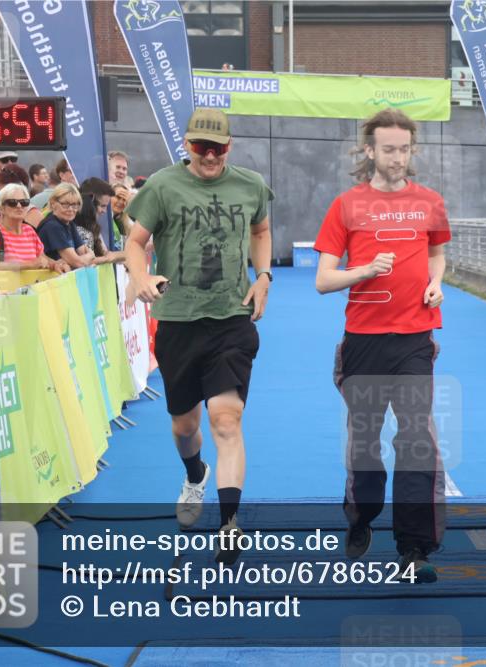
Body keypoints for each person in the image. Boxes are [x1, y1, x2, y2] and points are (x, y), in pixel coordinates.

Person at [125, 108, 273, 565]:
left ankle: (230, 523)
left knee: (226, 421)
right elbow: (134, 241)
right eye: (200, 147)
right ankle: (195, 473)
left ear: (230, 147)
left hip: (231, 319)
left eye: (218, 148)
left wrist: (263, 275)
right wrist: (141, 277)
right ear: (187, 146)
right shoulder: (163, 186)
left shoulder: (250, 185)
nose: (209, 156)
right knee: (185, 426)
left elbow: (261, 229)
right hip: (178, 322)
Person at [314, 108, 450, 584]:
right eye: (388, 149)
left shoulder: (430, 202)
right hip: (364, 342)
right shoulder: (346, 206)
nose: (397, 158)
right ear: (369, 150)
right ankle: (362, 513)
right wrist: (364, 271)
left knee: (416, 439)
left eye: (405, 149)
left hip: (415, 339)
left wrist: (436, 284)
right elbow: (323, 280)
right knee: (366, 443)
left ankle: (414, 548)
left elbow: (437, 255)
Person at [0, 183, 67, 273]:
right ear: (1, 208)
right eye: (12, 203)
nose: (19, 206)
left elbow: (43, 259)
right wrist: (29, 264)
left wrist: (57, 264)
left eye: (24, 202)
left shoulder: (29, 230)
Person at [37, 183, 93, 270]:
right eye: (65, 204)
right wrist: (90, 255)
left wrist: (87, 257)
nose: (71, 209)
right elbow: (78, 262)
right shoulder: (52, 226)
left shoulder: (70, 223)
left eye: (75, 205)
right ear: (53, 204)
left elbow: (82, 253)